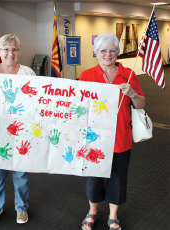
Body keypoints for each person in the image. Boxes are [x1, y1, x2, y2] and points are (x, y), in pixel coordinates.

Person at [79, 33, 145, 230]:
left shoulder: (128, 75)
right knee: (94, 177)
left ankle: (113, 215)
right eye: (103, 51)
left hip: (120, 136)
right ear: (95, 53)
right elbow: (78, 106)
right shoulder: (86, 76)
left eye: (112, 50)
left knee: (117, 176)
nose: (108, 54)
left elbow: (141, 104)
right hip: (94, 138)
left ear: (118, 52)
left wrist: (131, 93)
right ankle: (92, 211)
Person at [0, 34, 36, 225]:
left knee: (21, 173)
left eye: (14, 49)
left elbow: (37, 103)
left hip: (22, 131)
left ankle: (21, 207)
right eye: (6, 49)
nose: (10, 53)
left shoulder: (28, 73)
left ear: (19, 52)